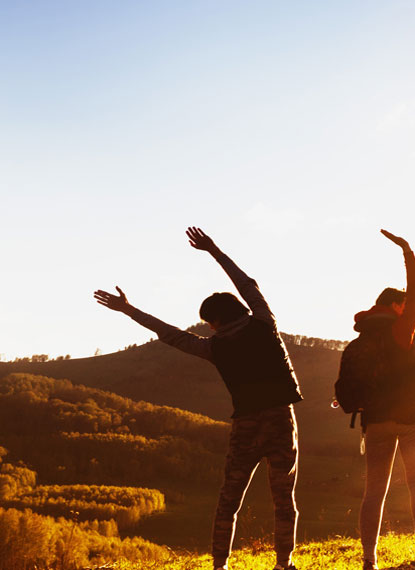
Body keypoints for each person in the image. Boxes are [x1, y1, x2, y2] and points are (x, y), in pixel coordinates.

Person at [93, 227, 302, 570]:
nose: (208, 328)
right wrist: (215, 251)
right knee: (284, 498)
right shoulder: (266, 323)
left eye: (209, 323)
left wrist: (130, 310)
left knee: (228, 501)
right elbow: (248, 284)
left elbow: (171, 335)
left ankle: (220, 566)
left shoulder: (214, 348)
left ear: (216, 321)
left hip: (246, 424)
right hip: (280, 418)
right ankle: (283, 564)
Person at [350, 231, 415, 570]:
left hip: (374, 422)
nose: (408, 310)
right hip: (409, 418)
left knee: (374, 491)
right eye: (403, 306)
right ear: (396, 307)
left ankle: (369, 560)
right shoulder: (402, 331)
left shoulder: (360, 340)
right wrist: (408, 254)